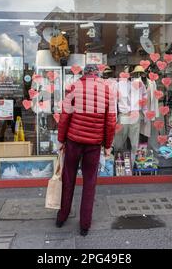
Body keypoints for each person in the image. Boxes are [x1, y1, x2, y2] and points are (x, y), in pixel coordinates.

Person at [57, 64, 116, 236]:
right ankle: (85, 224)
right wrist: (107, 145)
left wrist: (61, 140)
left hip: (74, 141)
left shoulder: (74, 87)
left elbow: (64, 115)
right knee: (90, 183)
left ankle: (62, 217)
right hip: (94, 144)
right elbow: (111, 121)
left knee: (68, 179)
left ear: (84, 74)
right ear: (97, 74)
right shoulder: (107, 91)